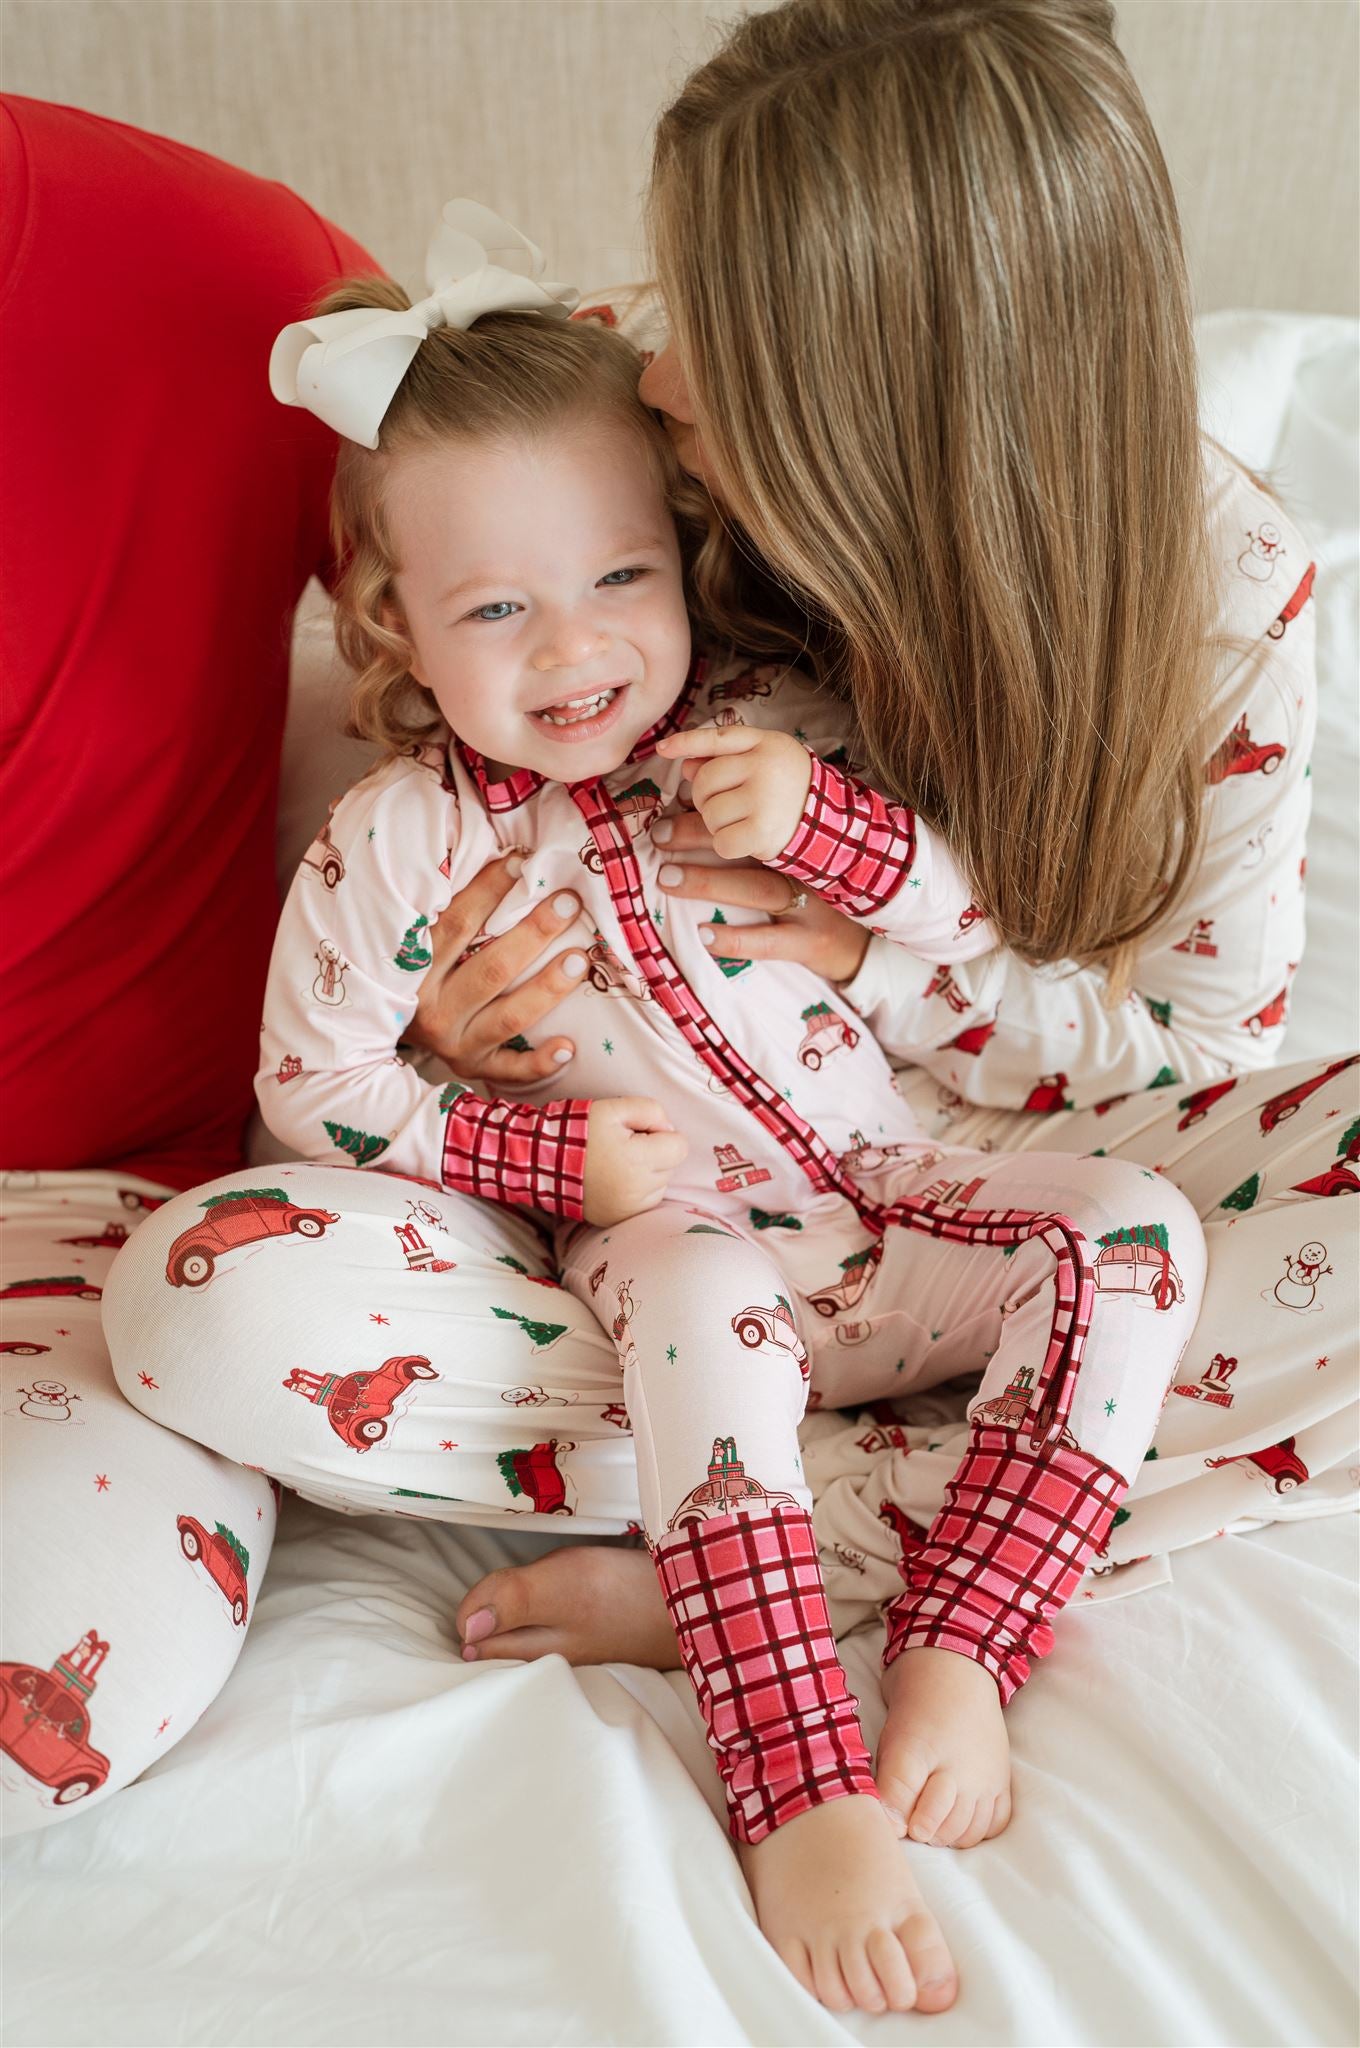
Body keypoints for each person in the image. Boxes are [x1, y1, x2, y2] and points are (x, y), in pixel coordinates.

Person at [8, 0, 1354, 2020]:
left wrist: (882, 949)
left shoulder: (1226, 591)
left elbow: (1192, 1053)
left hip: (941, 1171)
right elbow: (439, 536)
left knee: (1231, 1214)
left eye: (699, 331)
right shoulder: (618, 456)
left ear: (867, 390)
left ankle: (748, 1560)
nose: (647, 359)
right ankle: (901, 1509)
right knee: (210, 1293)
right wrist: (476, 1058)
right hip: (631, 1229)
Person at [227, 192, 1204, 2002]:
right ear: (396, 622)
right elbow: (314, 1087)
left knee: (1133, 1233)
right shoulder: (397, 842)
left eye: (617, 580)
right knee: (699, 1304)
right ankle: (790, 1771)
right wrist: (543, 1151)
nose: (572, 648)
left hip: (885, 1195)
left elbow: (985, 925)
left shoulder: (775, 728)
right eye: (494, 607)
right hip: (669, 1258)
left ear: (684, 556)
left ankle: (964, 1643)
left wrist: (831, 833)